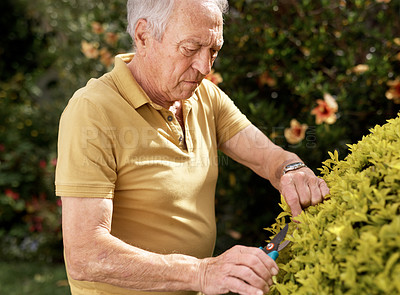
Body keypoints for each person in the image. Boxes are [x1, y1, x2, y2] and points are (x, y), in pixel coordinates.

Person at [55, 0, 330, 294]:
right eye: (190, 48)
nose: (204, 67)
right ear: (144, 36)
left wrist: (291, 169)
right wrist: (201, 272)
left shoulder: (203, 95)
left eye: (213, 50)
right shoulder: (92, 110)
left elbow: (268, 156)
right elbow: (86, 256)